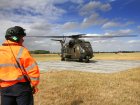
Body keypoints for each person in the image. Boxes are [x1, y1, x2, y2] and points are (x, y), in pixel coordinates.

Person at [0, 26, 40, 105]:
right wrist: (34, 84)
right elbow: (33, 69)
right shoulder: (22, 51)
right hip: (22, 88)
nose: (23, 39)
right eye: (21, 37)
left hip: (4, 88)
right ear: (15, 38)